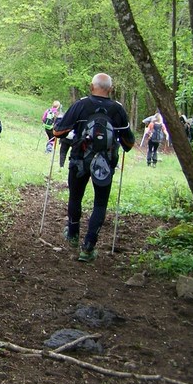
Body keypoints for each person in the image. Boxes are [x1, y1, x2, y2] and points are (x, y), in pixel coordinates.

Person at [53, 73, 134, 262]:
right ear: (111, 89)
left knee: (75, 196)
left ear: (91, 87)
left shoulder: (81, 105)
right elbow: (129, 144)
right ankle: (88, 247)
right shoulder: (117, 110)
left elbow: (58, 131)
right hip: (104, 163)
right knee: (100, 203)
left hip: (79, 159)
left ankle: (72, 233)